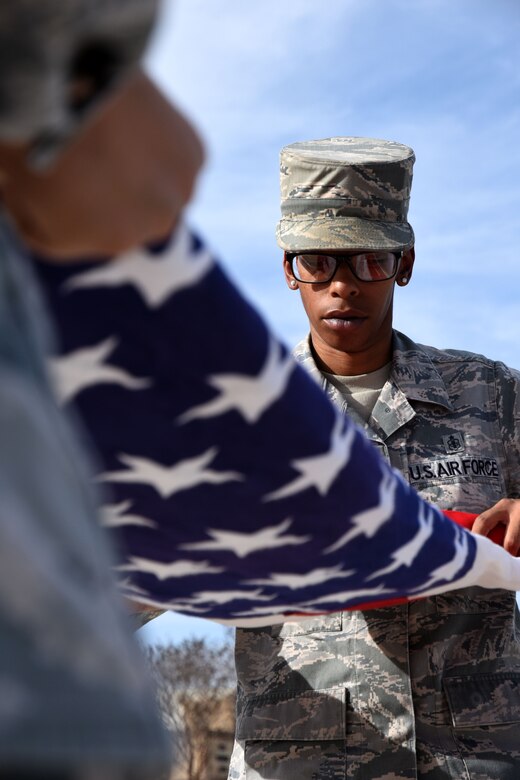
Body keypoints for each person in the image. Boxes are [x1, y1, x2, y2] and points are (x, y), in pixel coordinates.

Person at [228, 137, 520, 780]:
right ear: (287, 268)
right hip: (300, 759)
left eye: (368, 263)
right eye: (318, 262)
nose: (341, 286)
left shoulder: (493, 394)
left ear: (405, 263)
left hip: (471, 756)